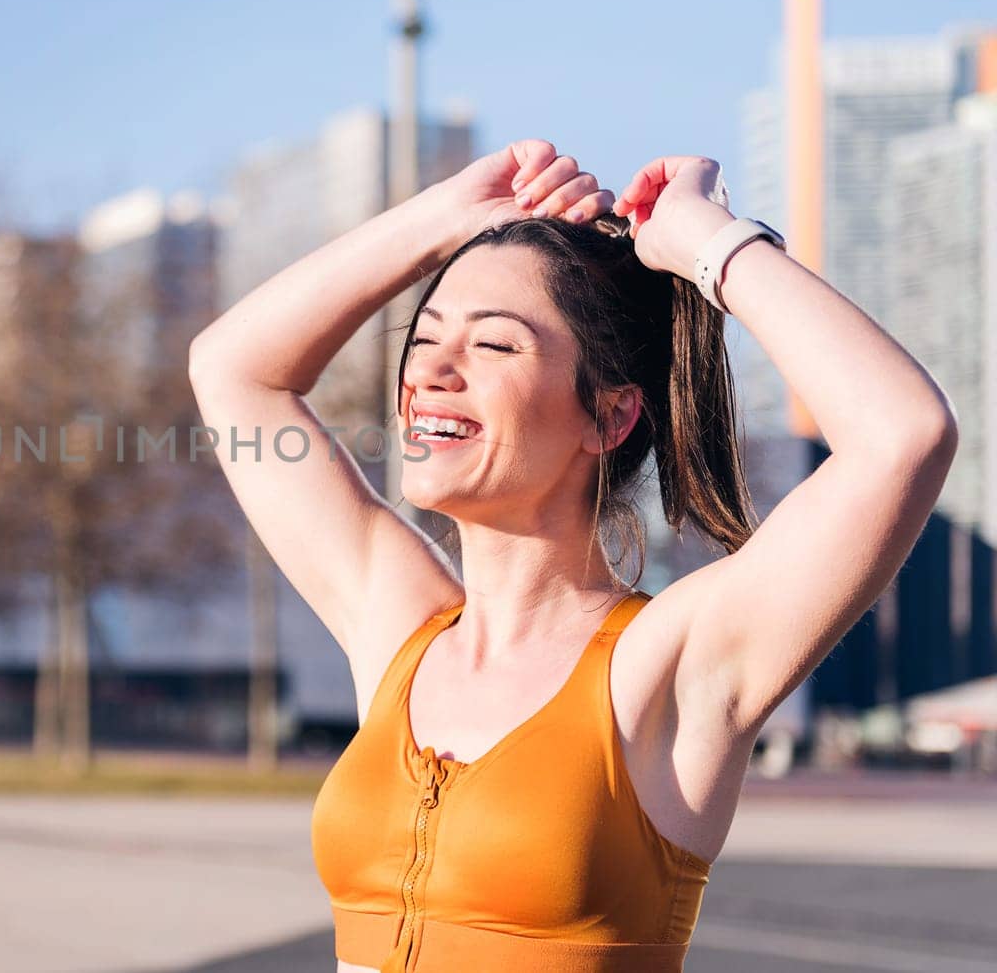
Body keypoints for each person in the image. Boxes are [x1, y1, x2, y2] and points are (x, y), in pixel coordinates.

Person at [186, 141, 958, 971]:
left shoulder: (664, 666)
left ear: (611, 417)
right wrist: (441, 219)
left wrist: (706, 240)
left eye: (494, 346)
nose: (430, 374)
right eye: (425, 337)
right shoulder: (397, 630)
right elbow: (233, 373)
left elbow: (901, 436)